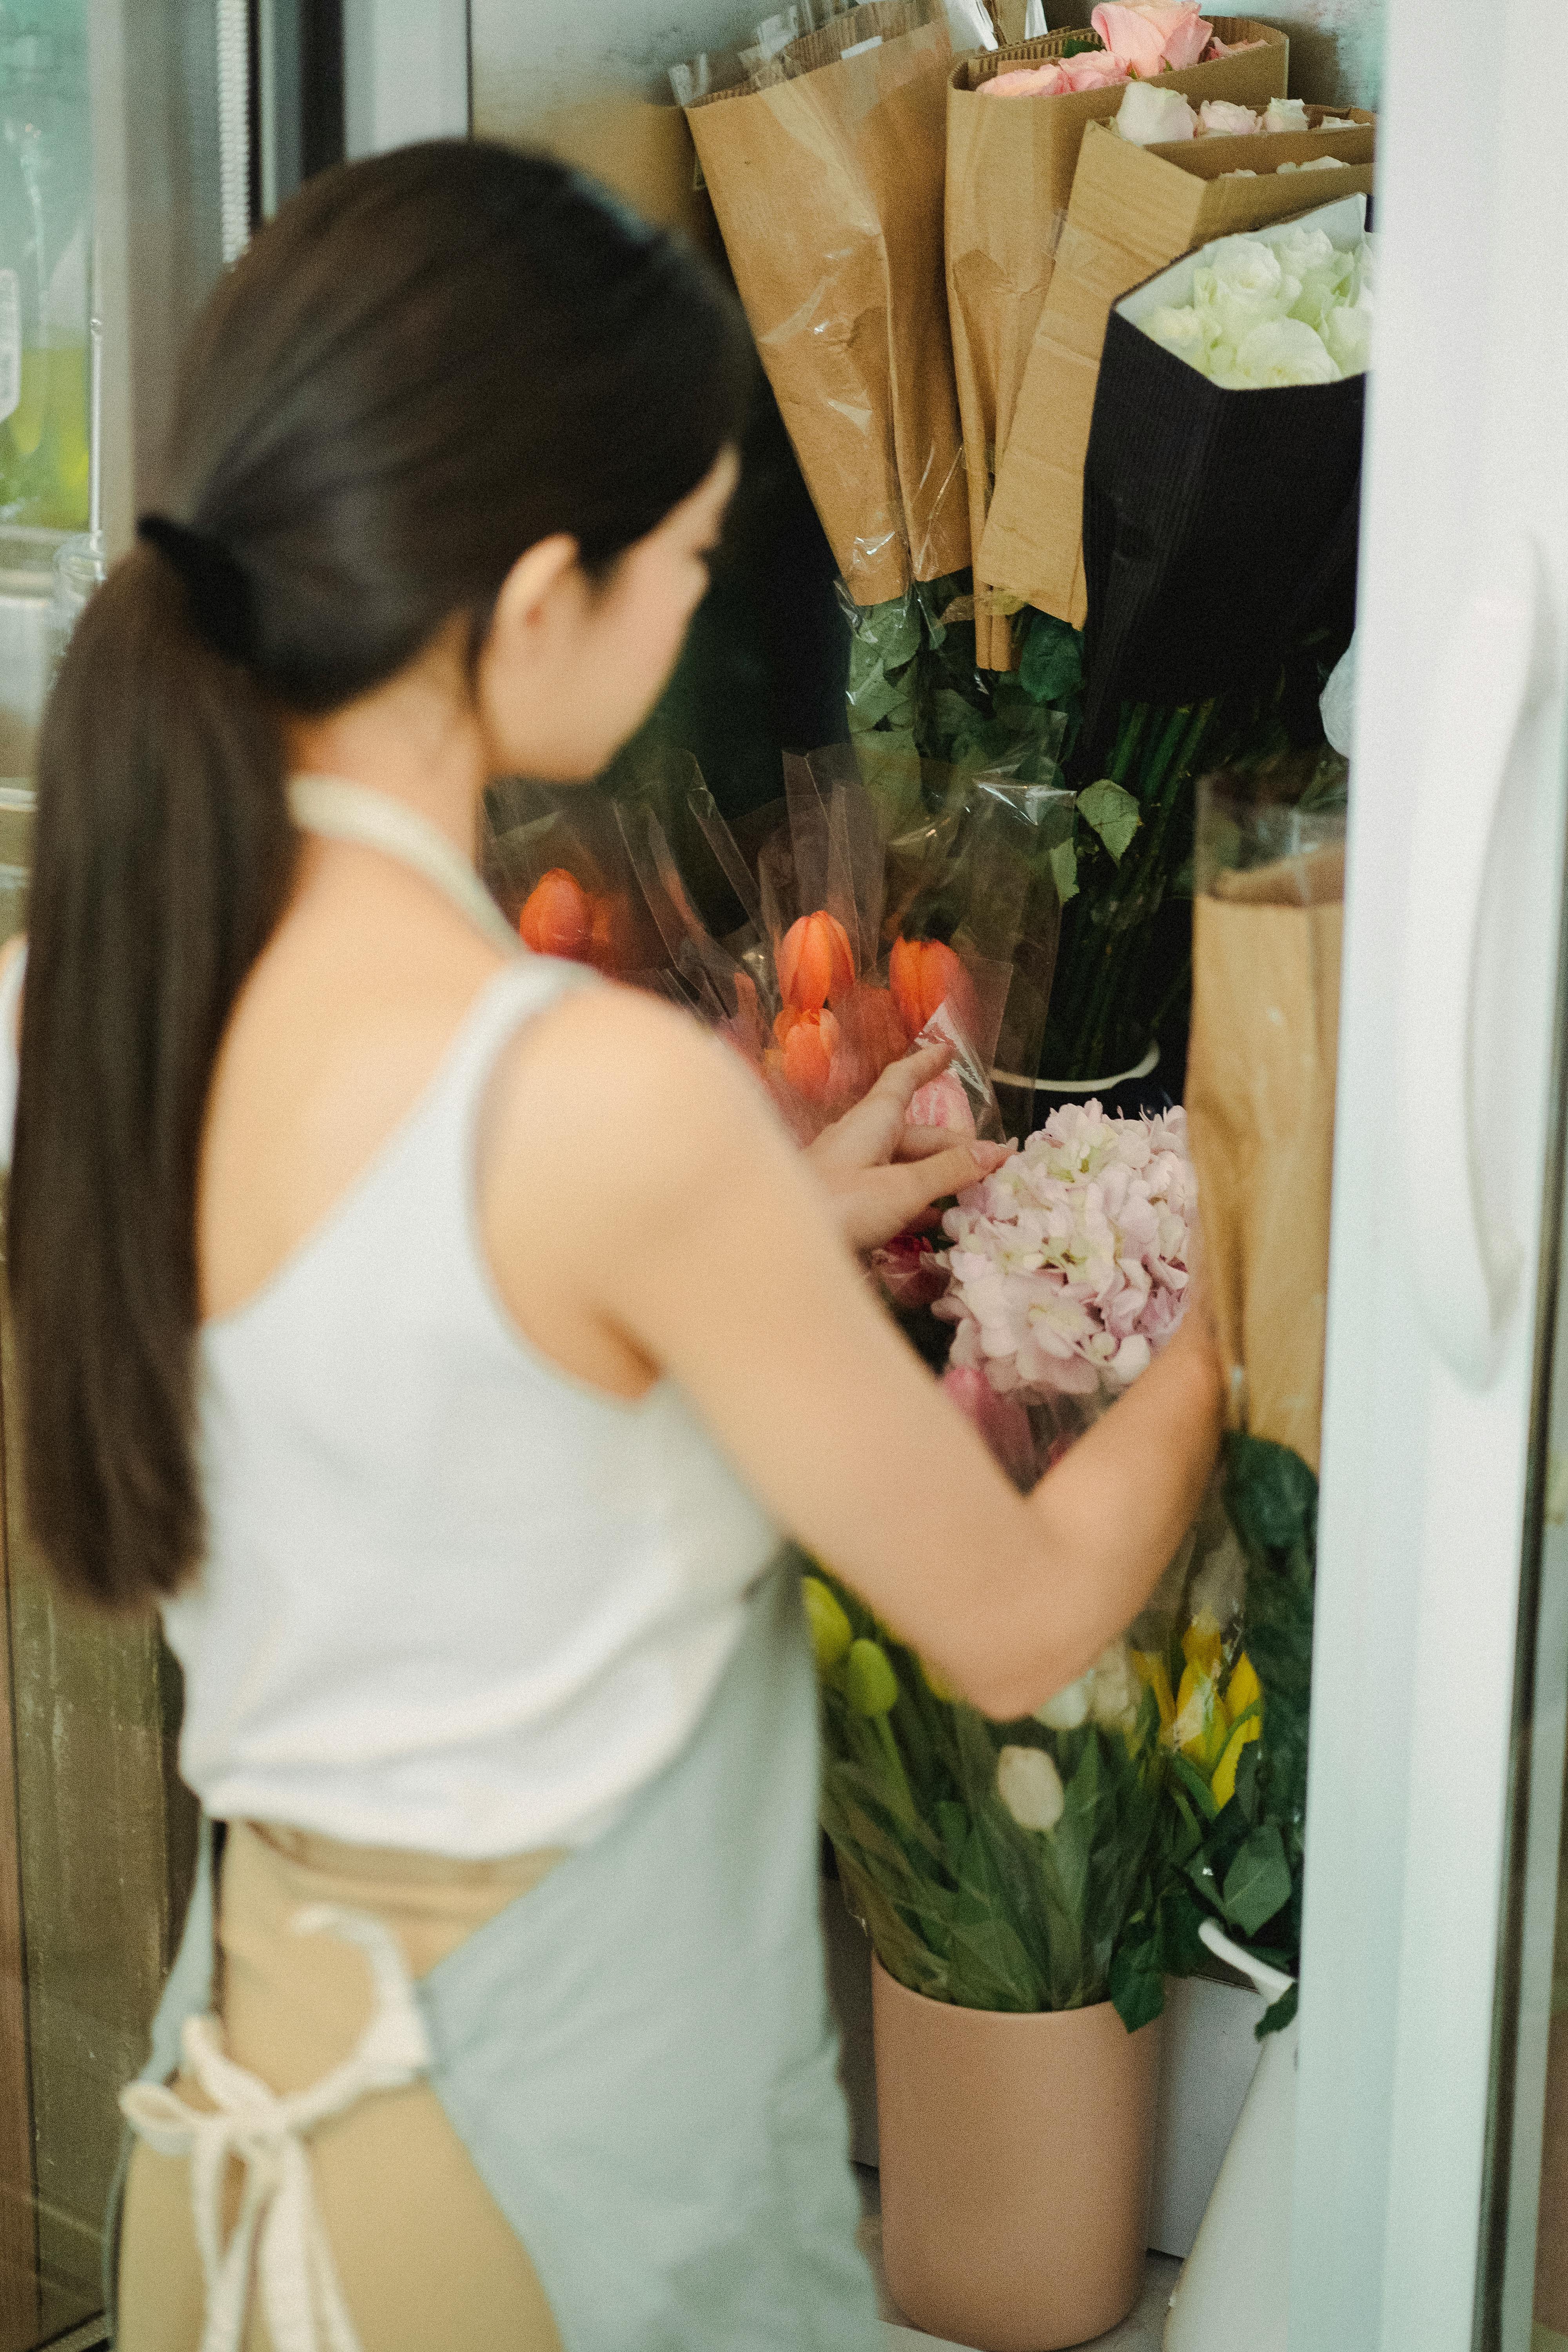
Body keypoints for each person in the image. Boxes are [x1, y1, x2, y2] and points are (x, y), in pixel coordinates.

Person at [2, 143, 1221, 2352]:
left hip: (241, 2140)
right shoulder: (587, 1104)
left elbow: (408, 1337)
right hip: (532, 2201)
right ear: (538, 595)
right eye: (677, 566)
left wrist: (762, 1228)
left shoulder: (97, 980)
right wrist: (1247, 1316)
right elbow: (1021, 1623)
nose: (685, 620)